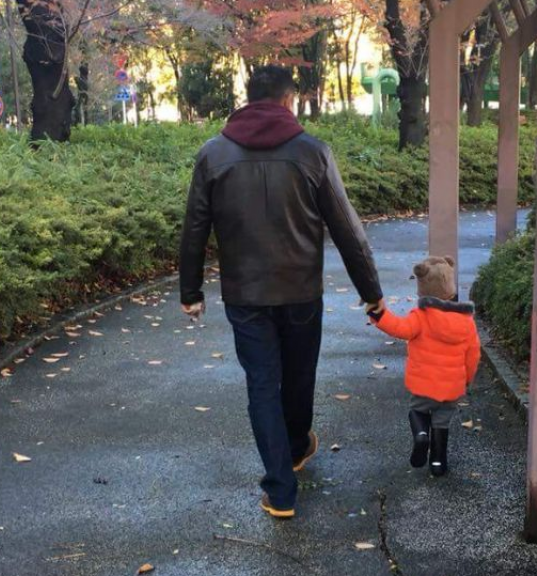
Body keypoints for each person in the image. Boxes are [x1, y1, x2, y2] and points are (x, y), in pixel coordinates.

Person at [178, 65, 384, 519]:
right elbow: (347, 229)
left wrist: (190, 290)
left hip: (245, 295)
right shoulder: (313, 152)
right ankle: (294, 449)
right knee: (299, 376)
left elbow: (195, 225)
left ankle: (280, 489)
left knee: (262, 385)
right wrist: (372, 292)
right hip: (300, 292)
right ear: (289, 101)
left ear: (248, 99)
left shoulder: (213, 154)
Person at [366, 256, 480, 477]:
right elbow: (473, 354)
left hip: (423, 384)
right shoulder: (466, 322)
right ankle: (438, 463)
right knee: (442, 421)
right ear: (450, 288)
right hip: (451, 388)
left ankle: (420, 435)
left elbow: (398, 328)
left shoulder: (420, 317)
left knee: (418, 409)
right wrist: (467, 379)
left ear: (422, 290)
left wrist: (378, 314)